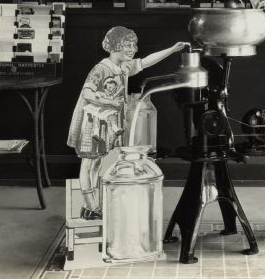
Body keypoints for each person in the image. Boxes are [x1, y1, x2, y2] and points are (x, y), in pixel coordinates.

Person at [67, 25, 186, 220]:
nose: (132, 50)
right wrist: (109, 101)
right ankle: (90, 206)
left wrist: (172, 49)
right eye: (127, 46)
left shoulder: (123, 67)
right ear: (114, 47)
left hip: (107, 123)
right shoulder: (101, 69)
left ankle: (95, 206)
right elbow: (88, 93)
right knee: (88, 164)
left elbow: (146, 62)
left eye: (133, 45)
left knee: (98, 164)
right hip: (93, 121)